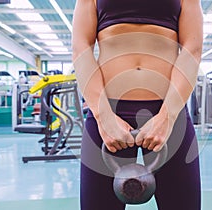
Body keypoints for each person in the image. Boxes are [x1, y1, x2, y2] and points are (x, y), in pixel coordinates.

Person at [72, 0, 203, 209]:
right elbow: (81, 48)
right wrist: (103, 116)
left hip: (169, 112)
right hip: (107, 114)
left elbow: (192, 49)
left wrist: (167, 117)